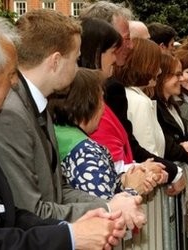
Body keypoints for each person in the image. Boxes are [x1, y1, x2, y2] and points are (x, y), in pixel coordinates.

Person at [0, 9, 146, 229]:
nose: (78, 69)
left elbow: (59, 189)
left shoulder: (36, 103)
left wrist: (113, 204)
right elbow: (30, 210)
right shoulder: (9, 113)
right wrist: (110, 209)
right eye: (76, 60)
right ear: (55, 61)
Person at [80, 0, 185, 193]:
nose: (130, 46)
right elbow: (114, 154)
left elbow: (126, 147)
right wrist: (169, 170)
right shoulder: (96, 93)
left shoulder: (112, 88)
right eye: (125, 39)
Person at [48, 68, 158, 199]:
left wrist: (126, 179)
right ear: (87, 104)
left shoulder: (54, 131)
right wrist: (133, 190)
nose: (104, 108)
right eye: (101, 100)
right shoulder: (86, 152)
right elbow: (106, 212)